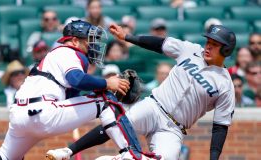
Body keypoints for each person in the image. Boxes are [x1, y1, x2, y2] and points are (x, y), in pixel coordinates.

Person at [0, 20, 151, 160]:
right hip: (43, 112)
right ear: (74, 41)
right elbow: (77, 79)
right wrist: (107, 84)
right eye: (88, 40)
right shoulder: (68, 52)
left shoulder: (55, 57)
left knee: (6, 155)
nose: (93, 45)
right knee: (106, 101)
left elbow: (74, 94)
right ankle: (132, 154)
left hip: (20, 115)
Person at [47, 24, 237, 160]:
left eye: (215, 44)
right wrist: (127, 37)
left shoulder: (224, 84)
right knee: (117, 123)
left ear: (226, 50)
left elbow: (220, 127)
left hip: (174, 129)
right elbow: (159, 43)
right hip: (154, 106)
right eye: (208, 41)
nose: (208, 46)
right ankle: (68, 151)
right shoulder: (191, 50)